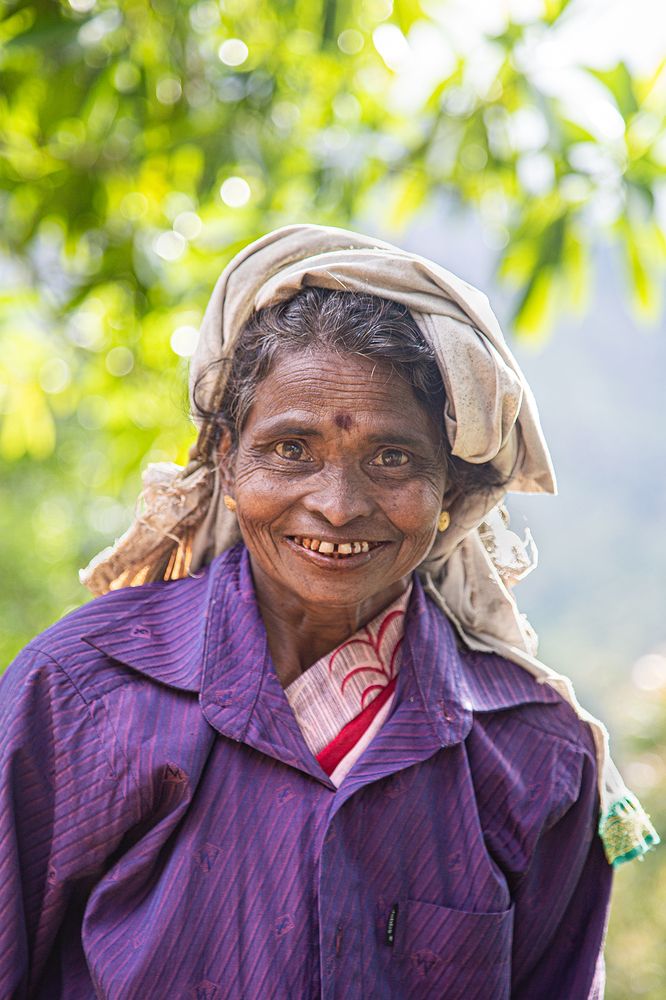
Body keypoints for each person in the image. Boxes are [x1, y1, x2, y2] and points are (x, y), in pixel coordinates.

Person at [0, 225, 658, 999]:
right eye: (289, 450)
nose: (338, 507)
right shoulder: (81, 694)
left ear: (449, 489)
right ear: (225, 458)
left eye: (392, 458)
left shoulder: (534, 754)